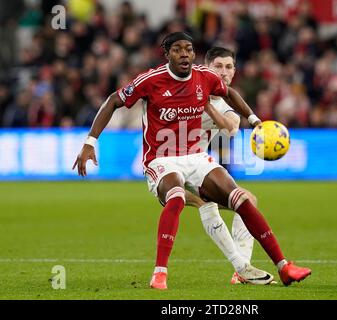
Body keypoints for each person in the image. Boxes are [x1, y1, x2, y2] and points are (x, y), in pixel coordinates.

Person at [73, 32, 311, 290]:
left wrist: (255, 121)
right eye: (177, 49)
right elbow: (112, 101)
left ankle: (283, 267)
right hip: (161, 160)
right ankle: (160, 273)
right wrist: (90, 142)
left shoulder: (205, 78)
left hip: (197, 157)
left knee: (241, 199)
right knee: (176, 195)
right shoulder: (151, 80)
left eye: (188, 49)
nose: (184, 54)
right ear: (167, 54)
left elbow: (230, 94)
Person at [185, 46, 259, 285]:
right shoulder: (184, 86)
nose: (224, 72)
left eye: (229, 67)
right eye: (218, 66)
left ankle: (242, 270)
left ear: (235, 72)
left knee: (248, 200)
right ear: (206, 67)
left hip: (196, 170)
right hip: (167, 166)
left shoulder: (228, 107)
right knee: (209, 204)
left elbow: (232, 126)